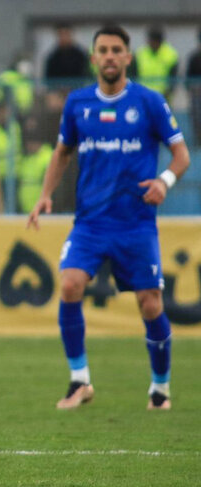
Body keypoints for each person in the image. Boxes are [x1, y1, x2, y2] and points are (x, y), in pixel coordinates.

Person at [26, 25, 189, 412]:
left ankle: (160, 388)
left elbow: (181, 155)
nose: (110, 56)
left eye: (117, 49)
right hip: (90, 223)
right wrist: (45, 195)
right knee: (70, 284)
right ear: (94, 58)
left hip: (135, 224)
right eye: (103, 50)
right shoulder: (78, 103)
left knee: (150, 304)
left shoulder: (149, 102)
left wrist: (164, 181)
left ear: (128, 57)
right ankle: (79, 381)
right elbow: (62, 152)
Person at [134, 26, 178, 97]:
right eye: (151, 41)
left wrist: (169, 91)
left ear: (161, 41)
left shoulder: (171, 55)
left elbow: (174, 78)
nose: (153, 44)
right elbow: (134, 76)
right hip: (143, 96)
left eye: (155, 41)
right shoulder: (140, 53)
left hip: (163, 96)